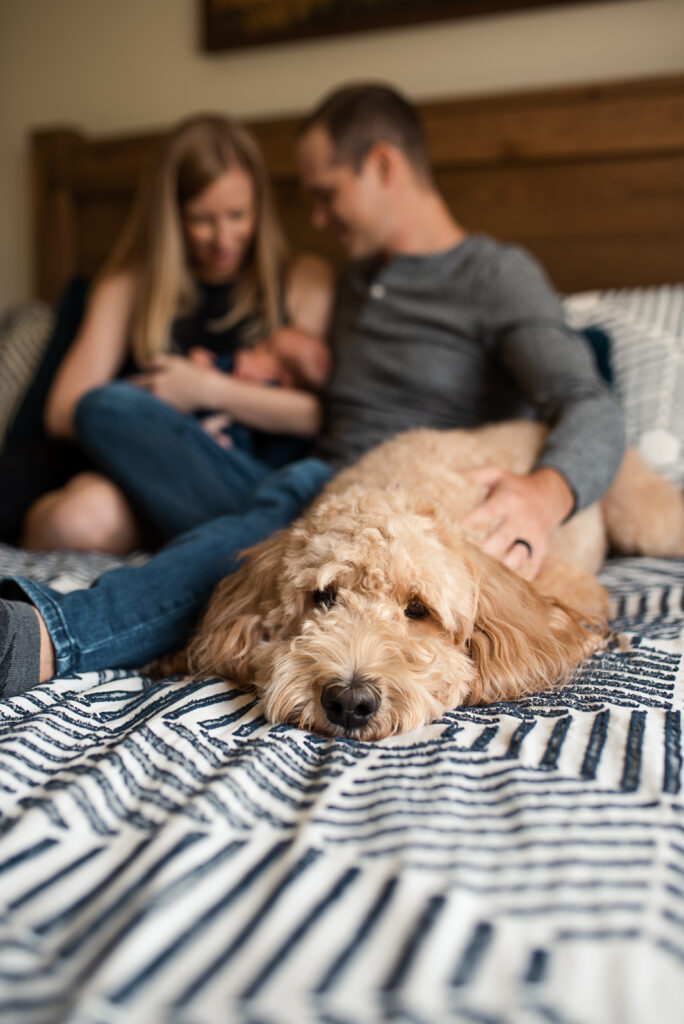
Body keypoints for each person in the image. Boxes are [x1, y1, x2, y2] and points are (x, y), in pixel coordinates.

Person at [0, 83, 625, 699]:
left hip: (410, 505)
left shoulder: (494, 276)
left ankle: (45, 637)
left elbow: (587, 400)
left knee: (249, 536)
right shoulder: (346, 281)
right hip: (314, 483)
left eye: (326, 195)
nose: (318, 219)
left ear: (382, 164)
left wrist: (547, 492)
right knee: (202, 487)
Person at [15, 113, 333, 553]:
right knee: (75, 518)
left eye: (238, 215)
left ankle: (239, 540)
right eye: (202, 220)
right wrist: (165, 405)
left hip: (246, 477)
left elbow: (317, 413)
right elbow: (67, 409)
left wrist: (206, 389)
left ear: (260, 204)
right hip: (150, 476)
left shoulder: (303, 279)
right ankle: (225, 543)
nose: (224, 239)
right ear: (171, 216)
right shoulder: (128, 285)